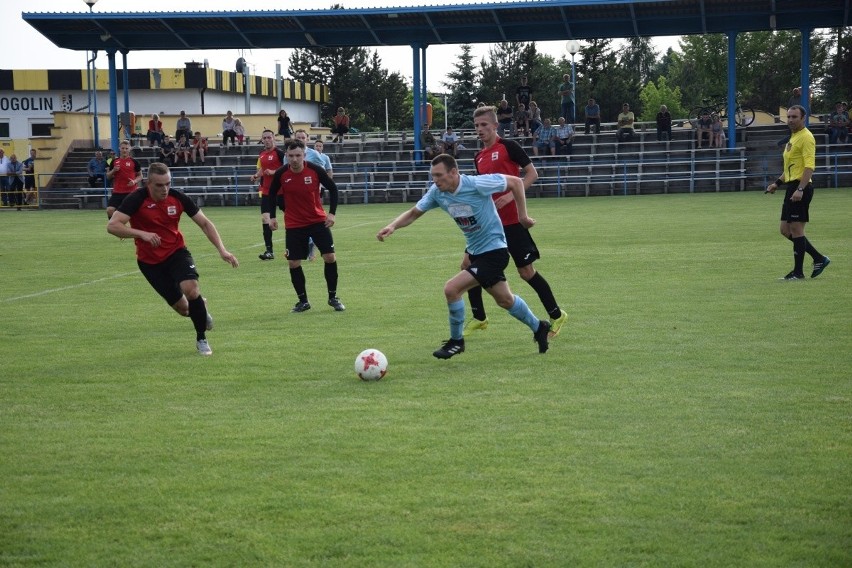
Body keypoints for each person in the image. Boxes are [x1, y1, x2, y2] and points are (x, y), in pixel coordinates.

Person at [376, 154, 551, 359]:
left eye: (440, 175)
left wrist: (522, 216)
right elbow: (414, 213)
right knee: (505, 300)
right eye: (433, 176)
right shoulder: (437, 193)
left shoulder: (476, 184)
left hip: (495, 251)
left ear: (453, 172)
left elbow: (515, 182)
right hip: (476, 253)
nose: (436, 180)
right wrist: (393, 226)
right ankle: (539, 327)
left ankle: (456, 341)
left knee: (452, 289)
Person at [106, 162, 239, 356]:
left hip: (176, 252)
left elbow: (204, 223)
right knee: (184, 309)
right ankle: (201, 306)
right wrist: (141, 234)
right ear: (148, 183)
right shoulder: (135, 199)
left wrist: (222, 250)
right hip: (149, 262)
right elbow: (112, 226)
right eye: (159, 185)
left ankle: (201, 338)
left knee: (191, 289)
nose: (165, 189)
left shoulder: (178, 197)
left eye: (168, 183)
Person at [465, 105, 568, 338]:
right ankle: (479, 318)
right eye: (476, 126)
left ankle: (556, 314)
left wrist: (511, 197)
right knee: (467, 266)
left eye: (484, 125)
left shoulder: (509, 147)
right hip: (489, 225)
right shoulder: (478, 157)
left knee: (526, 272)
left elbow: (531, 174)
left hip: (511, 222)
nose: (479, 130)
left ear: (495, 126)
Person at [263, 139, 345, 313]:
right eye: (291, 155)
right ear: (286, 155)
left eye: (298, 155)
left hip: (317, 221)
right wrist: (272, 217)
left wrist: (332, 213)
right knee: (293, 262)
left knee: (330, 257)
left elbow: (333, 188)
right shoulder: (281, 173)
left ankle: (333, 297)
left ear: (304, 155)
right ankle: (303, 301)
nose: (294, 159)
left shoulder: (315, 170)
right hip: (294, 224)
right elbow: (271, 194)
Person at [764, 105, 830, 281]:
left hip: (801, 187)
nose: (791, 120)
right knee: (785, 230)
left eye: (794, 117)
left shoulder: (806, 137)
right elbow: (791, 168)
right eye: (789, 117)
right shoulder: (793, 138)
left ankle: (798, 273)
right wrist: (776, 183)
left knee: (796, 229)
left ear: (803, 118)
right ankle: (818, 258)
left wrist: (800, 189)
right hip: (791, 186)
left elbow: (809, 166)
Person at [250, 129, 286, 261]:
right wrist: (256, 175)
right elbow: (263, 169)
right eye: (264, 138)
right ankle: (269, 251)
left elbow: (287, 168)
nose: (266, 140)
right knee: (265, 220)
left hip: (281, 192)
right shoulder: (262, 154)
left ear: (274, 139)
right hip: (266, 192)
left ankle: (295, 246)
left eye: (269, 137)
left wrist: (275, 171)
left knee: (292, 218)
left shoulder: (280, 153)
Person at [105, 140, 142, 219]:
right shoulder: (114, 161)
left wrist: (134, 181)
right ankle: (114, 227)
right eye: (123, 148)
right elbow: (108, 176)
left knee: (135, 214)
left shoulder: (134, 162)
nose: (124, 150)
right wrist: (113, 170)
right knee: (109, 210)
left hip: (130, 192)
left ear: (130, 149)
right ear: (119, 149)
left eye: (126, 148)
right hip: (117, 192)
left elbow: (140, 176)